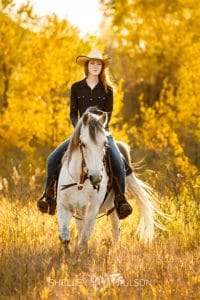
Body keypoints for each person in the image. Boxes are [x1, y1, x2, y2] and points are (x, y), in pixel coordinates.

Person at [37, 50, 132, 219]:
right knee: (52, 159)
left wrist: (98, 129)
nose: (95, 66)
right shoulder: (76, 87)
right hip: (81, 133)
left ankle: (120, 200)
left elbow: (108, 115)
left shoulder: (108, 90)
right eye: (92, 63)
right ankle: (49, 196)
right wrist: (79, 128)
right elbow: (73, 113)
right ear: (86, 66)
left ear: (102, 67)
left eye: (98, 64)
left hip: (102, 133)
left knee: (118, 162)